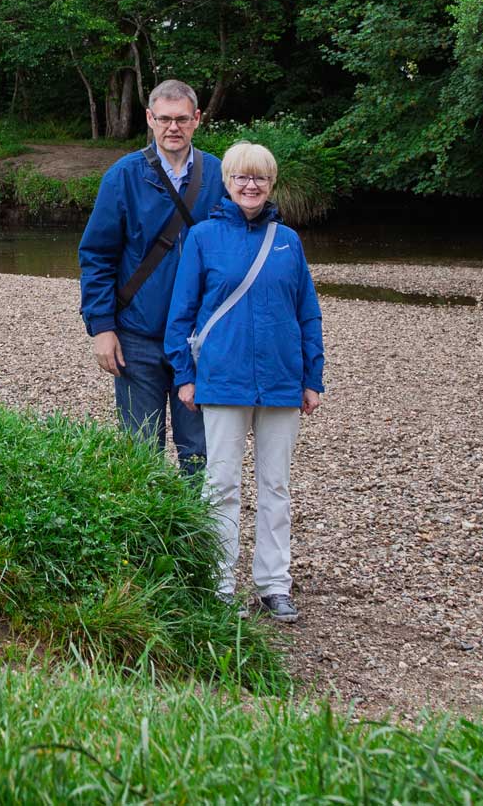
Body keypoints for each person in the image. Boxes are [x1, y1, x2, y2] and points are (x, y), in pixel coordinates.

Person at [165, 141, 325, 623]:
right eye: (241, 177)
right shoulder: (203, 237)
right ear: (227, 182)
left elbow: (307, 313)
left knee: (276, 487)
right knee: (221, 484)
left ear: (271, 184)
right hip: (223, 379)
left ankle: (274, 584)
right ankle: (217, 581)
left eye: (259, 178)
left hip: (280, 381)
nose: (250, 185)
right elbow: (181, 313)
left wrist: (311, 377)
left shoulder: (288, 240)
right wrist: (184, 375)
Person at [77, 80, 224, 474]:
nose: (172, 127)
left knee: (199, 449)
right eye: (163, 119)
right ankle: (146, 533)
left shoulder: (221, 176)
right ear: (149, 119)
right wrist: (101, 327)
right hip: (137, 336)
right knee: (141, 449)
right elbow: (96, 255)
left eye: (181, 119)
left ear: (196, 120)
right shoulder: (123, 176)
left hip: (198, 338)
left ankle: (196, 533)